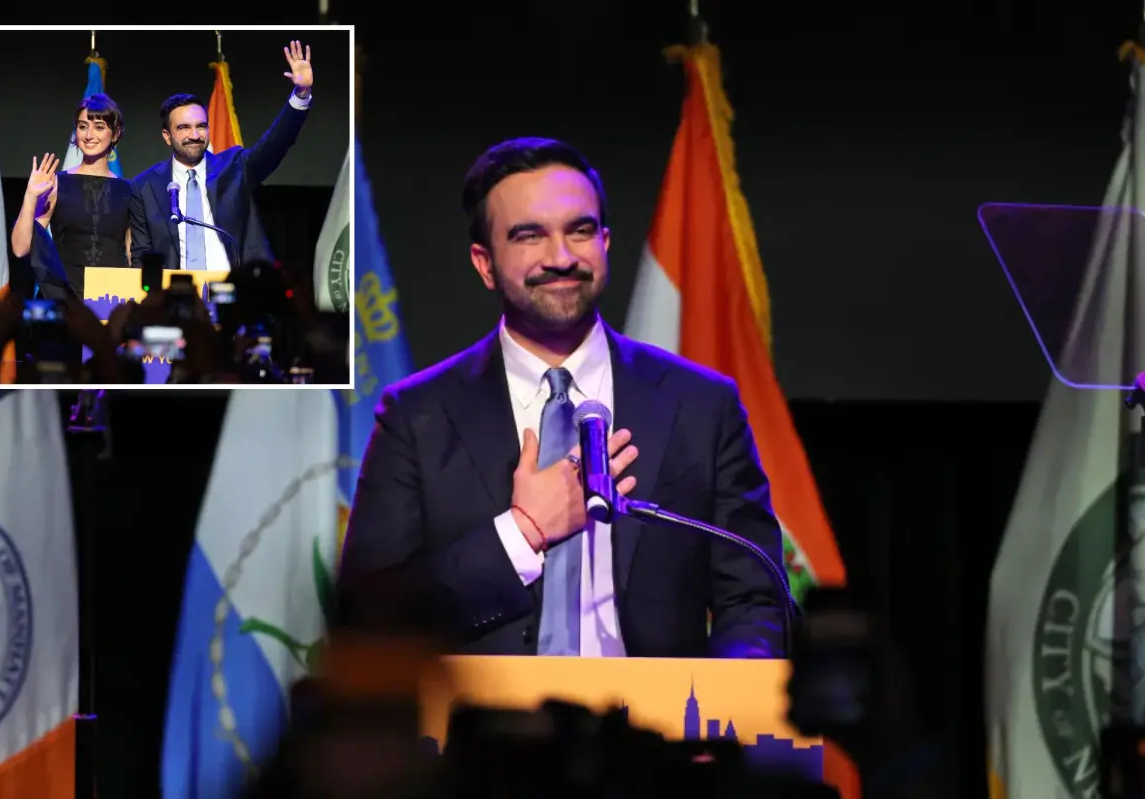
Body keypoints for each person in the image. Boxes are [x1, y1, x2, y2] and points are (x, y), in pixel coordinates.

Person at [340, 137, 788, 659]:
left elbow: (755, 599)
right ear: (484, 264)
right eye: (529, 236)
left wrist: (718, 715)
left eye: (580, 231)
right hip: (484, 733)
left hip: (653, 734)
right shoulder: (417, 417)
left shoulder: (701, 406)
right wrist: (522, 532)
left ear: (605, 242)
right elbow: (368, 619)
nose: (561, 257)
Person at [128, 39, 314, 272]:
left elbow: (276, 143)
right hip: (176, 297)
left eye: (201, 126)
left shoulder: (235, 166)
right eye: (184, 128)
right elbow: (142, 255)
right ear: (167, 136)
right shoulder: (145, 187)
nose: (194, 135)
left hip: (237, 296)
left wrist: (301, 94)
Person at [10, 93, 133, 299]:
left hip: (110, 301)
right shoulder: (56, 183)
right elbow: (20, 248)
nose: (89, 135)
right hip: (63, 299)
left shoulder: (129, 190)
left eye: (99, 127)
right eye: (83, 126)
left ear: (115, 133)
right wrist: (30, 196)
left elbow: (131, 255)